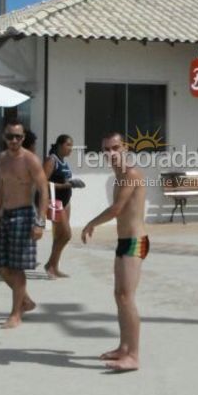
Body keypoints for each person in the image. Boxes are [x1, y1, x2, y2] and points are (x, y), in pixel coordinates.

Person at [82, 131, 149, 372]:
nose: (111, 154)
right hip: (124, 241)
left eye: (115, 148)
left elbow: (117, 209)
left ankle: (134, 355)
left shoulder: (130, 174)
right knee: (119, 295)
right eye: (106, 150)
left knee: (126, 297)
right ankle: (124, 347)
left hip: (135, 241)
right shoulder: (119, 175)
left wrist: (91, 223)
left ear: (126, 148)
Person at [0, 119, 49, 329]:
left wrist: (40, 222)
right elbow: (0, 188)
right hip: (6, 215)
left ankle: (16, 314)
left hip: (24, 215)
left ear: (23, 138)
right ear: (4, 137)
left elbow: (44, 190)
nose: (14, 140)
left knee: (17, 268)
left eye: (18, 136)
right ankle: (25, 300)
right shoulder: (2, 159)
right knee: (0, 265)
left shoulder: (30, 160)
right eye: (10, 136)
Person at [42, 134, 80, 278]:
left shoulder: (63, 161)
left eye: (72, 145)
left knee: (59, 236)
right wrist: (67, 185)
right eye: (68, 145)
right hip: (54, 201)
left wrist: (73, 183)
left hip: (65, 202)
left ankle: (54, 266)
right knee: (66, 235)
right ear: (59, 145)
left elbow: (64, 179)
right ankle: (50, 264)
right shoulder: (51, 160)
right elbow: (42, 182)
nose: (71, 148)